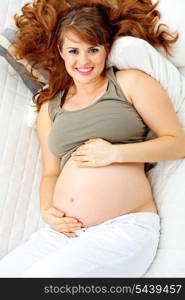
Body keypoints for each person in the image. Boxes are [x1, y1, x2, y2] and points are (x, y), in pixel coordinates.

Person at [0, 0, 185, 277]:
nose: (83, 61)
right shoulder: (49, 109)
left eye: (93, 50)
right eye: (74, 50)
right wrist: (47, 209)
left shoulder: (130, 83)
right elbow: (51, 173)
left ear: (106, 50)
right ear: (61, 52)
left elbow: (177, 143)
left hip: (123, 227)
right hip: (64, 234)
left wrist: (115, 153)